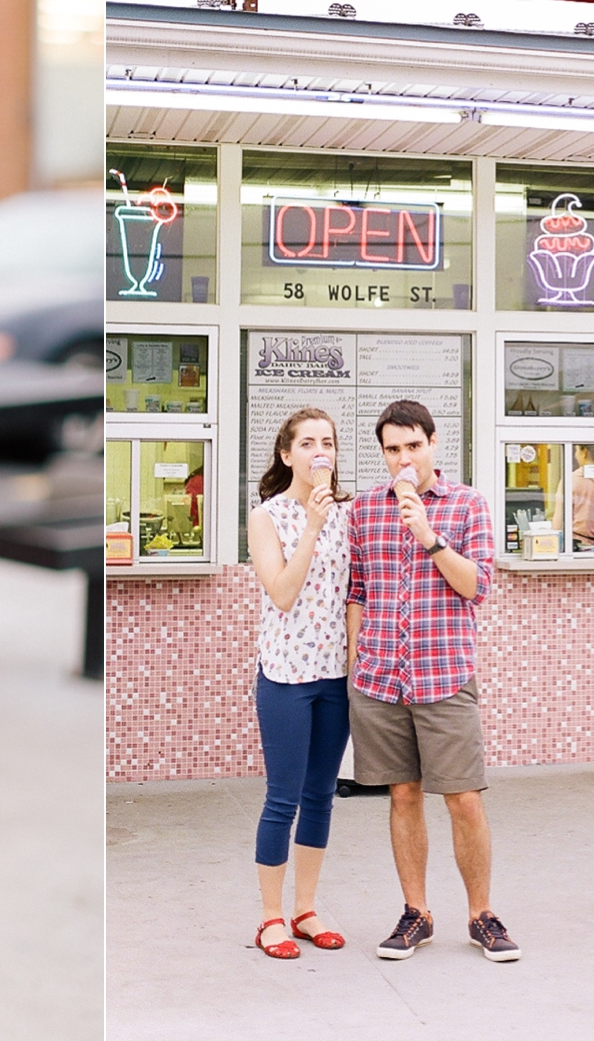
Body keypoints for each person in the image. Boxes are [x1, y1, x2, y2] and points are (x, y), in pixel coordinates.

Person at [345, 399, 520, 964]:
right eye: (392, 449)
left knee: (464, 799)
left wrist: (428, 534)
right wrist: (355, 665)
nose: (403, 458)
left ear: (433, 443)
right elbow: (357, 592)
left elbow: (477, 587)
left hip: (444, 675)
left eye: (412, 446)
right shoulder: (365, 509)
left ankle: (482, 915)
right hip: (380, 677)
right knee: (402, 794)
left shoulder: (467, 504)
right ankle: (415, 913)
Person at [244, 407, 353, 959]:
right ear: (287, 455)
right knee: (283, 797)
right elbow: (283, 593)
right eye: (307, 442)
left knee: (321, 797)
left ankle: (305, 909)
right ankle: (270, 918)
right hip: (286, 675)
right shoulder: (267, 517)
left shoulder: (347, 517)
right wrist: (311, 524)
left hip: (336, 676)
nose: (319, 452)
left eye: (327, 442)